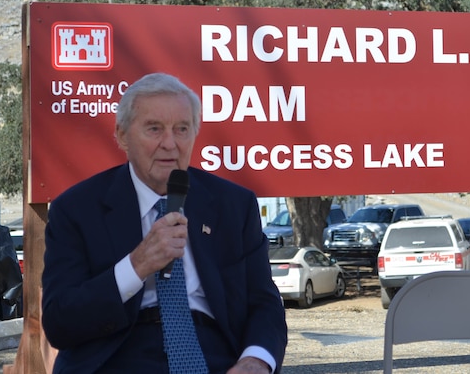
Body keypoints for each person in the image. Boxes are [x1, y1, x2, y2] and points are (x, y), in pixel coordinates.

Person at [42, 72, 288, 373]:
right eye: (154, 129)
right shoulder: (77, 209)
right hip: (114, 353)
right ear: (122, 135)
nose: (169, 144)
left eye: (182, 129)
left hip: (216, 353)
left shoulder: (233, 205)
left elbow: (264, 302)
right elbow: (59, 323)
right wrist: (136, 265)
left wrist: (257, 360)